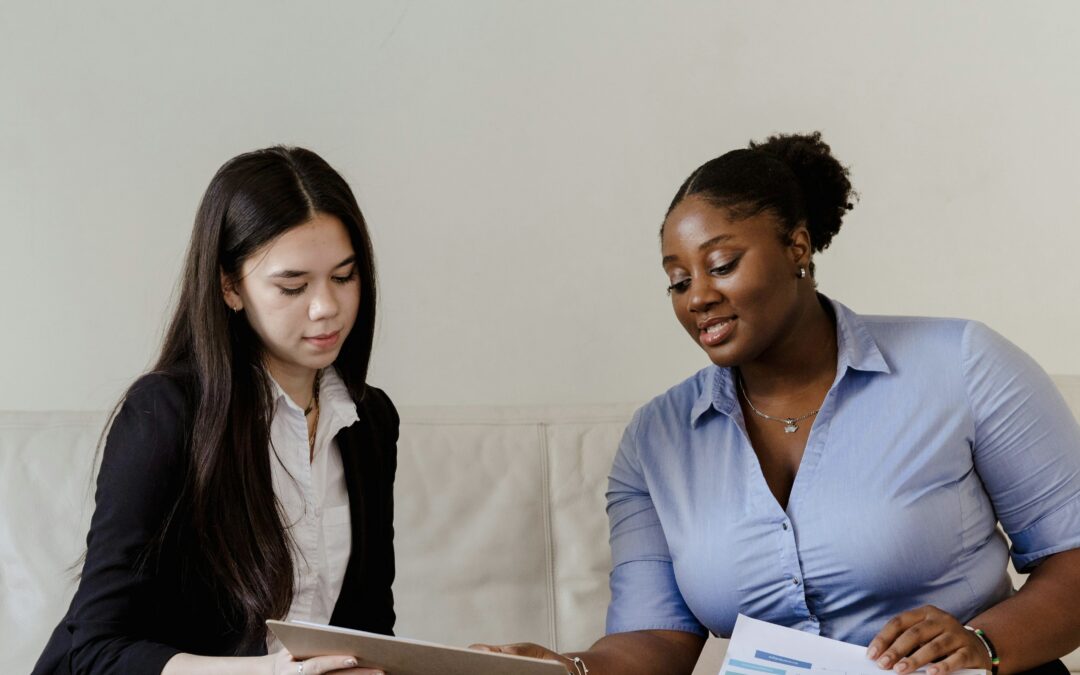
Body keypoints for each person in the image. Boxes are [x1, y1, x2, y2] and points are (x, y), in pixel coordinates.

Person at [474, 132, 1080, 675]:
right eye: (678, 281)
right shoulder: (657, 439)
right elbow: (655, 640)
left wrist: (981, 643)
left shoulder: (962, 365)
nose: (698, 298)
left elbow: (1072, 558)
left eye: (721, 265)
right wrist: (565, 670)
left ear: (797, 246)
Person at [33, 146, 397, 675]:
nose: (326, 307)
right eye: (293, 286)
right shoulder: (165, 415)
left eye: (344, 277)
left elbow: (368, 631)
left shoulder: (369, 422)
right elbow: (97, 651)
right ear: (230, 287)